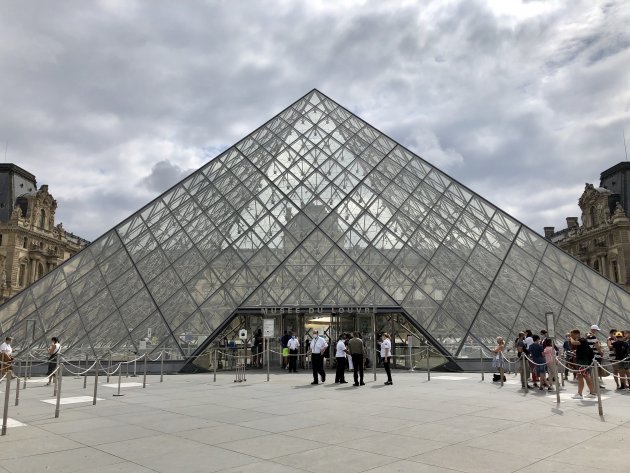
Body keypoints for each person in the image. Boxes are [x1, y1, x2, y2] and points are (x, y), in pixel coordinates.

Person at [569, 329, 596, 399]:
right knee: (583, 377)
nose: (572, 336)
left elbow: (573, 342)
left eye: (572, 335)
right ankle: (589, 392)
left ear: (577, 334)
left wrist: (571, 338)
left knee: (584, 377)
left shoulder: (582, 340)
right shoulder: (582, 341)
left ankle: (581, 393)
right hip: (582, 361)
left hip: (582, 362)